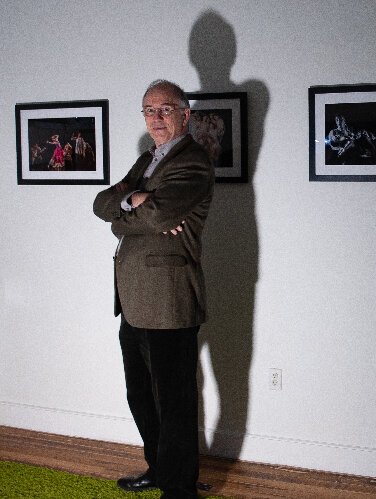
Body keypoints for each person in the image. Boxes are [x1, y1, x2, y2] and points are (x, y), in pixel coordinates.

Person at [93, 79, 214, 499]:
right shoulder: (147, 160)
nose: (156, 118)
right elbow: (102, 205)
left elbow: (161, 216)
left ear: (185, 114)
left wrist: (142, 203)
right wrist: (133, 200)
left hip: (169, 299)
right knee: (140, 394)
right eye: (149, 110)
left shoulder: (193, 161)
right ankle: (160, 469)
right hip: (132, 300)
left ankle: (180, 490)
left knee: (174, 402)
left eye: (165, 109)